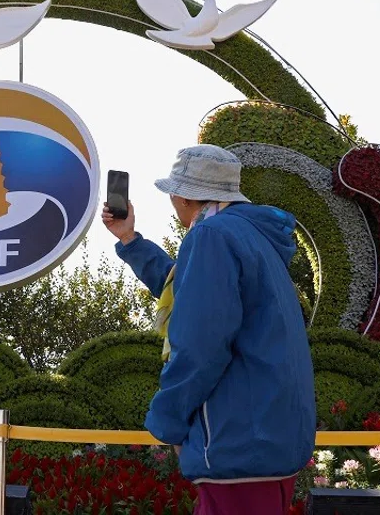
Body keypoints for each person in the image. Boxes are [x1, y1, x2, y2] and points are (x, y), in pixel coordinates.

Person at [102, 144, 315, 515]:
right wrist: (129, 240)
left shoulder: (212, 236)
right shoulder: (250, 235)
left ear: (182, 195)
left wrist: (167, 419)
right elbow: (188, 290)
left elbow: (200, 341)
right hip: (269, 438)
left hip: (237, 441)